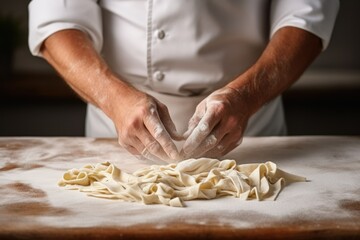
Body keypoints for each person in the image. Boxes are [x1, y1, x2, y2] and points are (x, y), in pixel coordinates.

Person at [28, 0, 339, 163]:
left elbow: (306, 15)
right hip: (116, 131)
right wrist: (115, 99)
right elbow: (57, 19)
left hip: (251, 127)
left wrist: (246, 96)